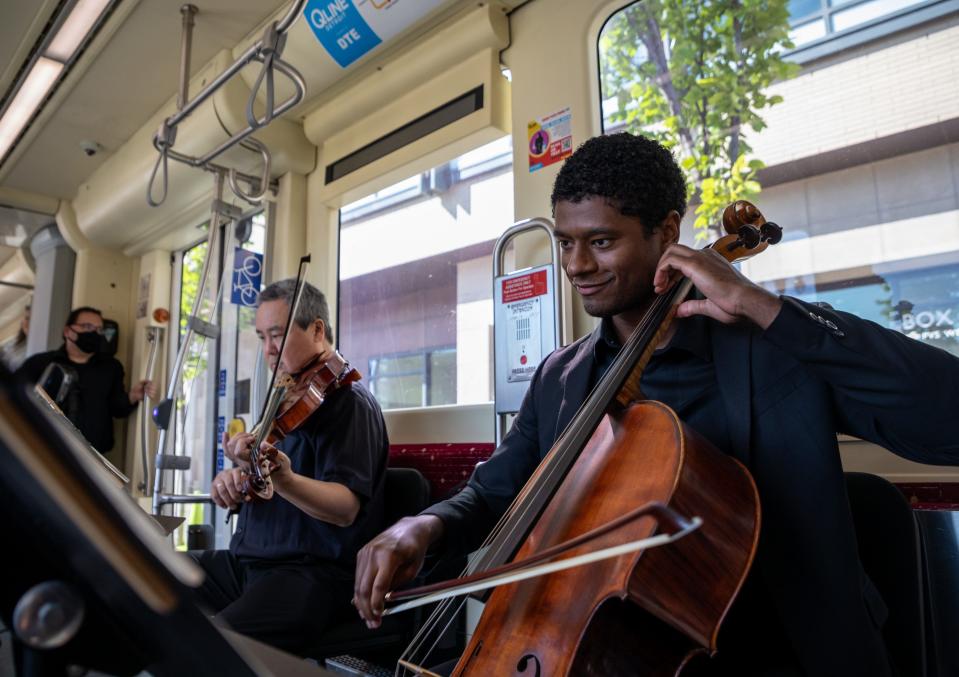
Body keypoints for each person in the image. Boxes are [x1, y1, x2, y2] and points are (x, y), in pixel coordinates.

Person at [353, 133, 959, 676]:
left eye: (602, 241)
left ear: (667, 233)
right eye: (565, 242)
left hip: (780, 651)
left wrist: (766, 309)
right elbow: (492, 494)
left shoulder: (776, 349)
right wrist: (421, 525)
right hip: (621, 649)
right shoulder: (560, 377)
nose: (576, 265)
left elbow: (945, 418)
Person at [190, 279, 389, 656]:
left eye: (277, 335)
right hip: (248, 565)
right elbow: (264, 487)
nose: (269, 350)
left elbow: (346, 508)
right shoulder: (287, 398)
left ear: (317, 329)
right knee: (150, 574)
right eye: (262, 337)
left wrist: (285, 479)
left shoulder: (348, 403)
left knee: (209, 647)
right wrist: (234, 481)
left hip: (309, 574)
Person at [15, 306, 155, 452]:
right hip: (46, 451)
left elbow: (116, 408)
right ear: (68, 332)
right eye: (87, 326)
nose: (94, 333)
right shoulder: (40, 363)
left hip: (93, 457)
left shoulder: (111, 367)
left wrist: (132, 397)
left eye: (99, 329)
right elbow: (14, 399)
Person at [1, 303, 30, 369]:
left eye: (32, 319)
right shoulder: (16, 340)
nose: (28, 322)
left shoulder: (34, 348)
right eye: (27, 318)